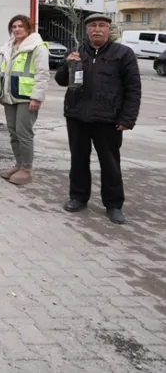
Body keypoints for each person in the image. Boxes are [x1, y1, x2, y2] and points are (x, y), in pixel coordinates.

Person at [56, 14, 141, 225]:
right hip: (77, 116)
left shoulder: (123, 54)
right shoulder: (76, 52)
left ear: (108, 29)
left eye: (102, 25)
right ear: (86, 30)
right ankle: (78, 197)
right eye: (93, 25)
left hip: (108, 119)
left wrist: (127, 118)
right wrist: (67, 64)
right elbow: (61, 80)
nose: (97, 29)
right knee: (78, 159)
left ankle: (114, 205)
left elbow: (133, 89)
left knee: (110, 163)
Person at [0, 14, 50, 185]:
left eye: (20, 26)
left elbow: (42, 74)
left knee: (24, 133)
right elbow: (4, 73)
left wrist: (37, 98)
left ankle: (26, 169)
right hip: (10, 96)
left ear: (28, 28)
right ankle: (18, 165)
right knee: (13, 132)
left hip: (27, 97)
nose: (17, 29)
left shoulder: (37, 47)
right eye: (14, 27)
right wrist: (1, 93)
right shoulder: (9, 47)